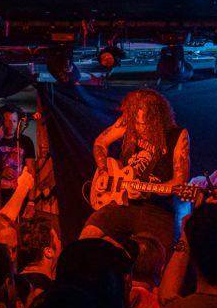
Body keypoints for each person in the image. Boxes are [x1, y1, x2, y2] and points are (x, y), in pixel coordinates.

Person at [81, 88, 190, 252]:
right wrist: (103, 170)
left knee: (158, 257)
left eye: (144, 124)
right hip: (122, 203)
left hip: (157, 210)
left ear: (158, 119)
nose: (139, 128)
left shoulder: (177, 135)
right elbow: (100, 143)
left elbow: (179, 182)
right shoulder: (129, 121)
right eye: (136, 123)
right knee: (87, 235)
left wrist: (147, 192)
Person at [0, 103, 36, 207]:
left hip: (20, 194)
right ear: (1, 122)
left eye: (14, 121)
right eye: (7, 120)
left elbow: (31, 170)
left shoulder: (26, 142)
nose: (11, 124)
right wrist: (1, 171)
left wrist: (31, 201)